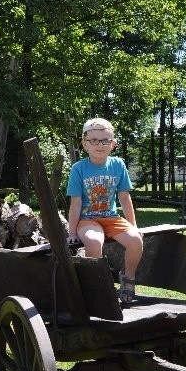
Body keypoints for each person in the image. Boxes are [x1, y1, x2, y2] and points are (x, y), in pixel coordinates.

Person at [67, 118, 143, 304]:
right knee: (93, 242)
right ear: (85, 144)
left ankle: (128, 277)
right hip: (87, 220)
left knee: (135, 241)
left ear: (113, 144)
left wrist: (133, 225)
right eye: (93, 140)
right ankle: (98, 285)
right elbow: (75, 203)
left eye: (105, 140)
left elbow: (124, 197)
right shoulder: (79, 169)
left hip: (111, 217)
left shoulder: (118, 165)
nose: (99, 145)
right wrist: (71, 232)